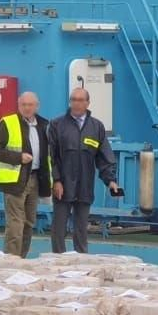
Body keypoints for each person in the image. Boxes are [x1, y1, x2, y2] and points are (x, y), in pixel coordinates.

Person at [48, 87, 119, 254]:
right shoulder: (57, 125)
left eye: (80, 100)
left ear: (87, 103)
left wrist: (111, 180)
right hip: (63, 185)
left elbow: (104, 156)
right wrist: (57, 180)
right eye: (73, 100)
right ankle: (58, 259)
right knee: (59, 227)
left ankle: (81, 260)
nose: (76, 103)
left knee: (81, 227)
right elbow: (52, 156)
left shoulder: (96, 127)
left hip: (85, 185)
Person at [0, 91, 52, 258]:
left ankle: (21, 258)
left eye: (30, 105)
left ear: (37, 106)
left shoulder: (44, 125)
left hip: (35, 179)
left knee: (29, 222)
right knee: (15, 223)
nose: (27, 108)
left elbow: (48, 155)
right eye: (23, 104)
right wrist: (19, 158)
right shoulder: (9, 123)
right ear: (19, 106)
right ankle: (11, 258)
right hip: (14, 180)